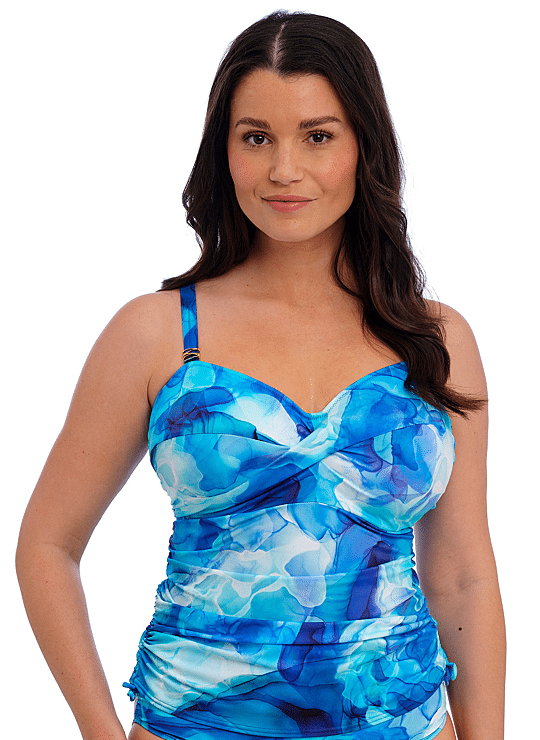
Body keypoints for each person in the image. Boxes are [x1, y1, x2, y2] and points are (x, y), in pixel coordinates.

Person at [16, 10, 506, 740]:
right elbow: (47, 547)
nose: (284, 170)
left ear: (364, 145)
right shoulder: (156, 334)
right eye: (256, 137)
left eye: (318, 136)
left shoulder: (436, 340)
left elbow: (463, 574)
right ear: (224, 152)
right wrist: (100, 733)